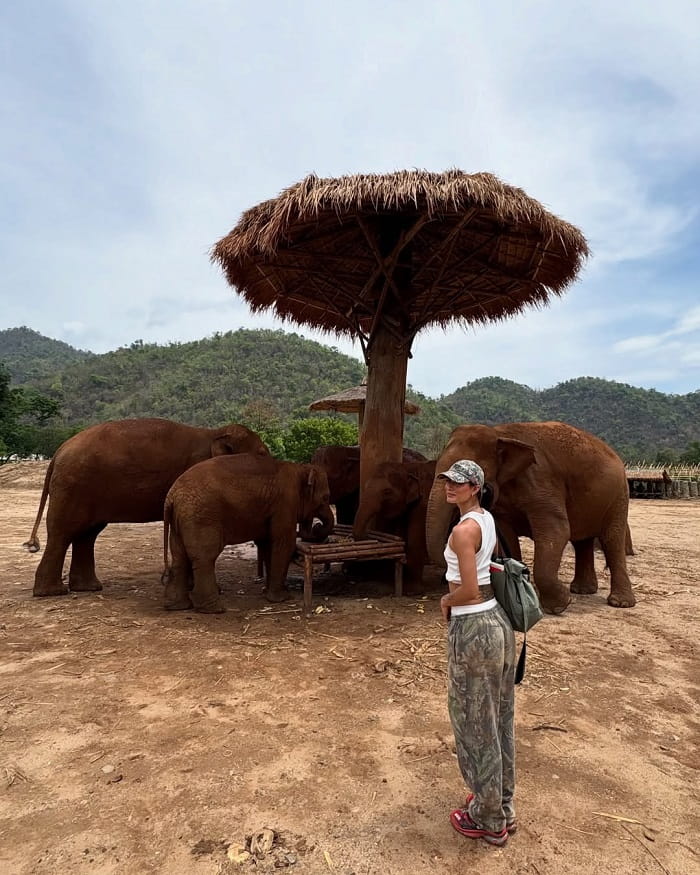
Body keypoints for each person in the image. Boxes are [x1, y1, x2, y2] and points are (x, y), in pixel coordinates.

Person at [437, 459, 516, 847]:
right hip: (497, 622)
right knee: (499, 716)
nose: (450, 487)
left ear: (475, 488)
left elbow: (467, 590)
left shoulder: (462, 531)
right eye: (447, 481)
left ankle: (487, 819)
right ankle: (500, 803)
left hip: (473, 629)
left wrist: (445, 601)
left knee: (474, 720)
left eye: (458, 482)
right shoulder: (486, 520)